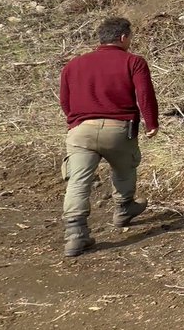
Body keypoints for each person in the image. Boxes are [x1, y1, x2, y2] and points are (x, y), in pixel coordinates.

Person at [58, 17, 159, 257]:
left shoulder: (73, 65)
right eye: (130, 37)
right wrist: (151, 123)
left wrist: (74, 121)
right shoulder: (134, 61)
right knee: (125, 168)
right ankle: (124, 208)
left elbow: (65, 99)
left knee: (78, 181)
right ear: (123, 37)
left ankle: (75, 233)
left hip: (81, 130)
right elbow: (144, 95)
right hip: (119, 128)